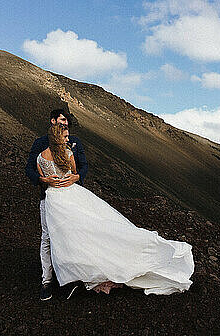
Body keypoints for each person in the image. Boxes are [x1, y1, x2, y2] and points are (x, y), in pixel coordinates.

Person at [35, 123, 194, 298]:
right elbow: (72, 173)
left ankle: (73, 277)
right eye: (65, 136)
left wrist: (47, 179)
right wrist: (71, 177)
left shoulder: (41, 158)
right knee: (86, 230)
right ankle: (79, 275)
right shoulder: (68, 154)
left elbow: (44, 179)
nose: (68, 139)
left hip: (54, 200)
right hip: (71, 195)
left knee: (65, 238)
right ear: (58, 137)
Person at [25, 109, 88, 301]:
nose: (66, 125)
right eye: (62, 121)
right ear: (53, 121)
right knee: (48, 237)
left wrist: (77, 177)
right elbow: (29, 168)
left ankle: (74, 276)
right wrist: (43, 180)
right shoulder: (40, 143)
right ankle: (47, 280)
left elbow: (83, 166)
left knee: (73, 233)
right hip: (49, 197)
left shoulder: (74, 142)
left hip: (71, 195)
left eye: (67, 122)